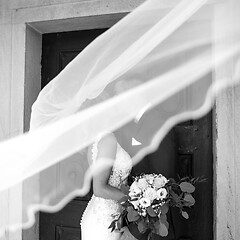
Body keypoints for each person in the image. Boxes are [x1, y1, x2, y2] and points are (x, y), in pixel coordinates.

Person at [80, 132, 135, 240]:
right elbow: (99, 189)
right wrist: (135, 201)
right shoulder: (108, 139)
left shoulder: (99, 136)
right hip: (104, 222)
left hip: (110, 215)